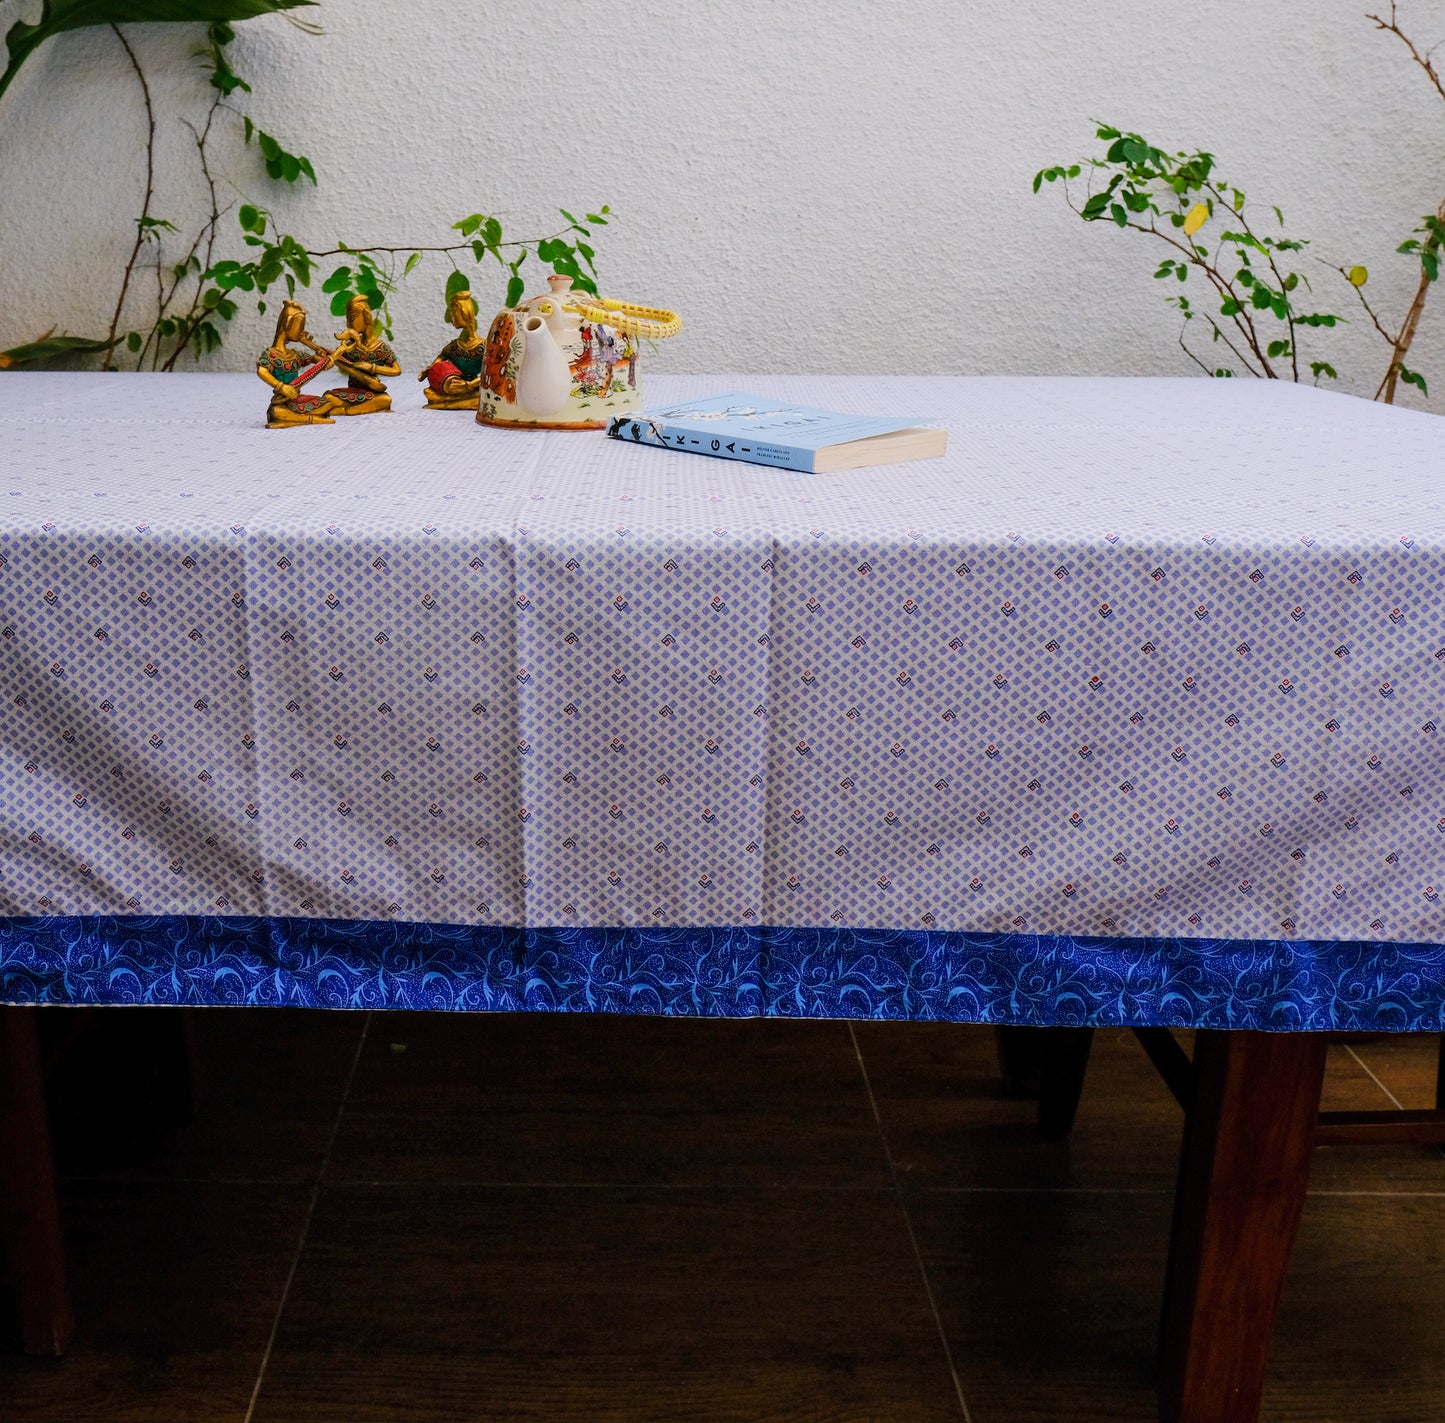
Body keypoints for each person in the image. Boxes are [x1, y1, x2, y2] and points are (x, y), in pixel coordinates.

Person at [255, 300, 341, 428]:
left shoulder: (294, 355)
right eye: (299, 326)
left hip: (297, 400)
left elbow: (313, 359)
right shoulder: (271, 355)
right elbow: (262, 371)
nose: (302, 331)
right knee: (276, 412)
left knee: (327, 403)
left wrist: (321, 357)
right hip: (281, 402)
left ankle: (294, 419)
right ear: (287, 324)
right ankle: (312, 419)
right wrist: (282, 387)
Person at [323, 295, 400, 415]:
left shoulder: (381, 347)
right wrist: (333, 354)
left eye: (352, 318)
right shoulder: (350, 345)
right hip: (352, 392)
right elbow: (331, 362)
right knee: (328, 397)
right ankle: (355, 408)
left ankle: (347, 410)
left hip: (373, 393)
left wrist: (371, 367)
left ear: (367, 316)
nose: (349, 324)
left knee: (385, 400)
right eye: (347, 319)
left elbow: (397, 370)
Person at [420, 288, 485, 409]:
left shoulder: (483, 346)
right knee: (428, 392)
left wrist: (468, 385)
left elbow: (489, 374)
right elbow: (442, 356)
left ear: (464, 314)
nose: (452, 319)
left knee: (483, 395)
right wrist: (431, 369)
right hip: (453, 384)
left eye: (454, 315)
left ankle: (447, 403)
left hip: (473, 386)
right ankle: (455, 402)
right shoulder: (455, 345)